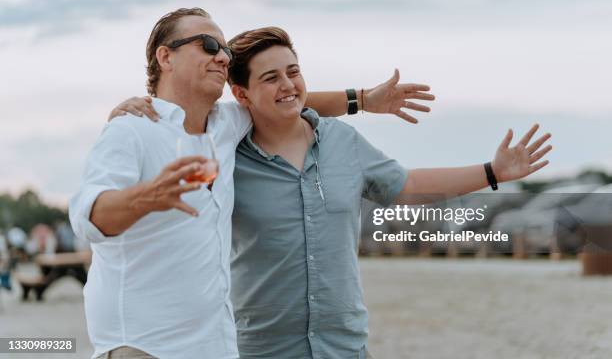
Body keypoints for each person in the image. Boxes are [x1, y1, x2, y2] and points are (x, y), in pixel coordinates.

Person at [120, 26, 552, 359]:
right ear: (241, 93)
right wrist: (135, 110)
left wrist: (492, 171)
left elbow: (410, 185)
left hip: (343, 345)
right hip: (261, 348)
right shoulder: (226, 150)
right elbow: (179, 129)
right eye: (270, 77)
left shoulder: (343, 143)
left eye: (293, 72)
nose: (287, 85)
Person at [72, 8, 434, 359]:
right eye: (208, 45)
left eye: (225, 51)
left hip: (214, 347)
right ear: (165, 57)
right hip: (144, 348)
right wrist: (147, 197)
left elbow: (283, 99)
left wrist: (364, 100)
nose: (222, 57)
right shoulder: (131, 129)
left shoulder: (226, 125)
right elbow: (88, 216)